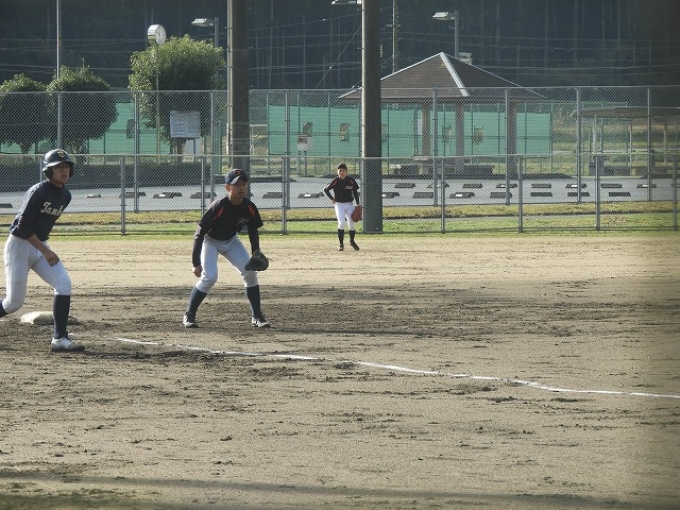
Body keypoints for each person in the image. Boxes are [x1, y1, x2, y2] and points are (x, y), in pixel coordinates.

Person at [0, 149, 84, 352]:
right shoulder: (38, 191)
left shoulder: (66, 195)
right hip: (19, 247)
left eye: (66, 167)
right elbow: (22, 226)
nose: (64, 171)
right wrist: (45, 251)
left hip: (40, 246)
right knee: (13, 303)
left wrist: (43, 249)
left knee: (63, 283)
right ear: (48, 171)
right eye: (58, 167)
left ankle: (60, 339)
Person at [183, 168, 271, 329]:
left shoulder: (249, 207)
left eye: (243, 184)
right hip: (210, 241)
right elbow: (199, 234)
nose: (241, 188)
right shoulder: (218, 206)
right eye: (236, 185)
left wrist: (255, 253)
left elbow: (253, 231)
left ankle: (257, 316)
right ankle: (189, 315)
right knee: (209, 278)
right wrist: (196, 263)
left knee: (250, 273)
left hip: (231, 241)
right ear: (227, 187)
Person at [323, 163, 360, 251]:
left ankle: (352, 241)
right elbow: (326, 189)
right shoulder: (336, 181)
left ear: (346, 172)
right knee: (341, 223)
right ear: (337, 172)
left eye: (343, 170)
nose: (342, 172)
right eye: (340, 171)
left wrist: (358, 204)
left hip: (349, 204)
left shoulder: (350, 180)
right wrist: (332, 198)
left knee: (352, 223)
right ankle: (341, 244)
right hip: (339, 205)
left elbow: (355, 192)